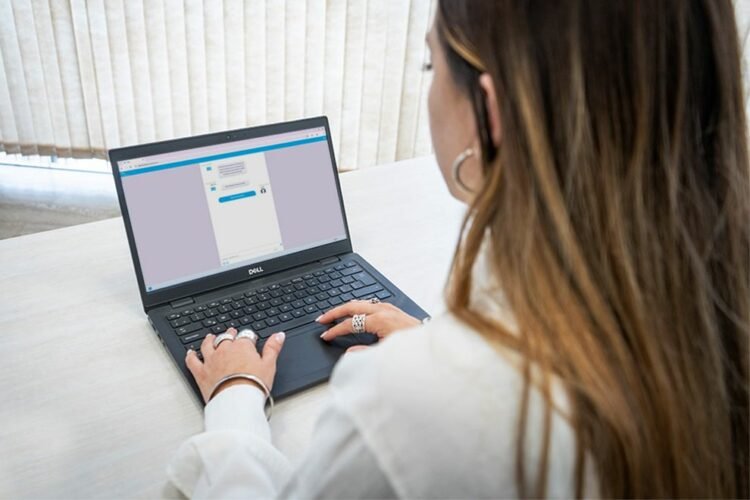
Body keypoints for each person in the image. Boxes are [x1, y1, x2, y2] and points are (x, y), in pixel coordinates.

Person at [167, 0, 749, 497]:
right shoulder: (720, 313)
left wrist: (236, 398)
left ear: (490, 112)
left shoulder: (406, 405)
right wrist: (434, 343)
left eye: (431, 62)